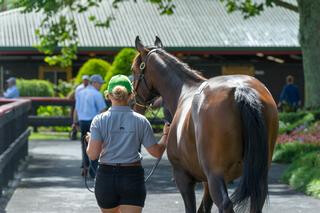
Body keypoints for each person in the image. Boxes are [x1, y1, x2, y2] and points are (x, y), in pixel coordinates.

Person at [86, 74, 170, 213]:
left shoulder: (99, 120)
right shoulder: (141, 121)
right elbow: (156, 152)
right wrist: (166, 134)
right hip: (132, 176)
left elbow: (93, 155)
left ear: (108, 95)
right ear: (131, 95)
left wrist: (90, 142)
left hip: (106, 177)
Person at [76, 74, 106, 177]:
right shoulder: (97, 94)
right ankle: (93, 171)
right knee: (95, 144)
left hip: (82, 121)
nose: (101, 86)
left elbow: (77, 109)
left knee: (84, 145)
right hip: (93, 122)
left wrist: (75, 122)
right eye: (100, 83)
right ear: (94, 83)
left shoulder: (80, 93)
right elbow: (102, 110)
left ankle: (85, 166)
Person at [71, 75, 91, 139]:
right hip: (80, 103)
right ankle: (74, 130)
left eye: (86, 80)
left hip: (87, 104)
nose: (85, 81)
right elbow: (77, 97)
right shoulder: (79, 88)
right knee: (76, 115)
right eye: (84, 80)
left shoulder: (90, 88)